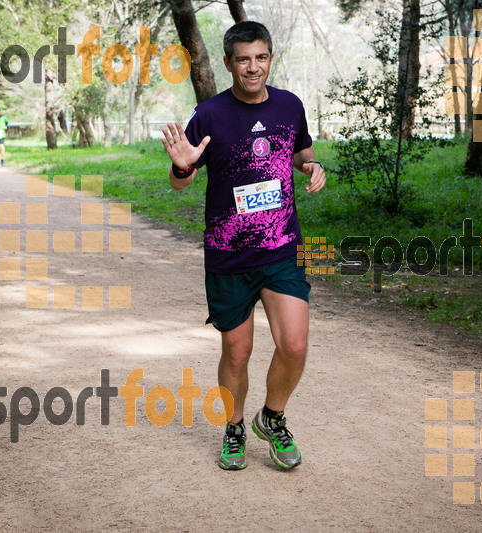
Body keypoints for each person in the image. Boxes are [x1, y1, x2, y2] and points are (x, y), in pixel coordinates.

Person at [161, 21, 326, 471]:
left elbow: (300, 153)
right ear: (231, 63)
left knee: (294, 344)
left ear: (270, 58)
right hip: (229, 253)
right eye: (243, 59)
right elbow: (183, 181)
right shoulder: (209, 115)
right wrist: (181, 168)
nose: (252, 67)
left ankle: (272, 418)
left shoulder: (290, 106)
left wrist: (312, 167)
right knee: (237, 352)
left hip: (280, 248)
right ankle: (233, 427)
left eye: (260, 57)